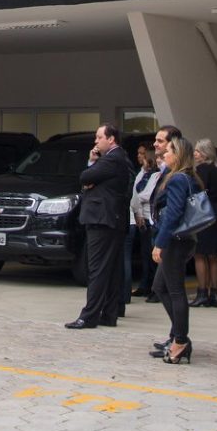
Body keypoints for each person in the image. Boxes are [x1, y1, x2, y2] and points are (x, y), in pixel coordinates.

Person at [68, 125, 133, 330]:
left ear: (111, 139)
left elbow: (85, 177)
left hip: (103, 220)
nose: (95, 142)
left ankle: (89, 315)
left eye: (99, 137)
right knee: (111, 269)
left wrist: (92, 164)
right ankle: (109, 313)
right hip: (111, 219)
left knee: (97, 268)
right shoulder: (117, 159)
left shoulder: (113, 159)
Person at [149, 135, 199, 364]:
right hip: (180, 240)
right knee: (161, 287)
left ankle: (180, 341)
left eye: (168, 151)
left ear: (178, 155)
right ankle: (178, 335)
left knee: (175, 291)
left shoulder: (179, 179)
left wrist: (160, 242)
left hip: (175, 241)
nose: (164, 155)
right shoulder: (185, 177)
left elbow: (174, 213)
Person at [190, 138, 217, 308]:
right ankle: (215, 293)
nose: (194, 154)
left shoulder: (200, 170)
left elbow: (196, 192)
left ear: (204, 154)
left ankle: (202, 292)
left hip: (202, 215)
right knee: (213, 254)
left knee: (199, 254)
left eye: (197, 151)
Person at [130, 143, 160, 303]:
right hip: (142, 217)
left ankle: (156, 288)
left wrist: (135, 199)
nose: (139, 156)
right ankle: (145, 285)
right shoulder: (142, 173)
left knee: (152, 255)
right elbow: (134, 188)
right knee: (144, 255)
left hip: (150, 217)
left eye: (142, 153)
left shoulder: (156, 174)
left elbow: (145, 195)